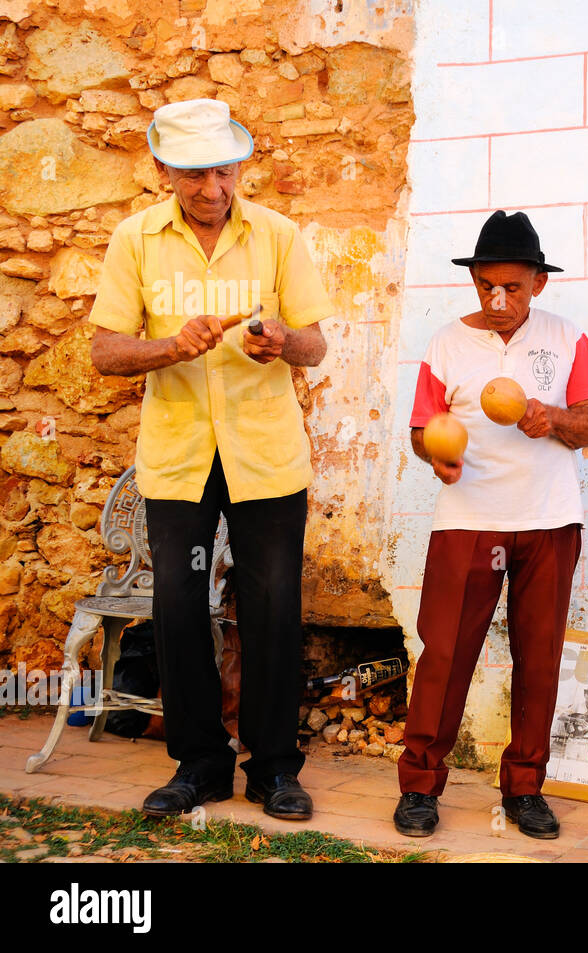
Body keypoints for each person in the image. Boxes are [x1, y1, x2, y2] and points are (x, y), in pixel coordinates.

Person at [89, 99, 334, 821]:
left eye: (224, 171)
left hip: (266, 455)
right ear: (163, 168)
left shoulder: (279, 236)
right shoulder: (133, 239)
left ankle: (273, 768)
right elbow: (104, 351)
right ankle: (200, 763)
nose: (213, 190)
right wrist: (169, 346)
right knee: (178, 606)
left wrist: (283, 342)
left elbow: (317, 344)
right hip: (179, 456)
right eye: (195, 175)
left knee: (272, 608)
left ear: (238, 165)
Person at [395, 210, 588, 839]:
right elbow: (421, 429)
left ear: (538, 283)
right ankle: (419, 786)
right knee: (444, 655)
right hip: (468, 521)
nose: (496, 299)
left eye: (511, 287)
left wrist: (552, 419)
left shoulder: (567, 337)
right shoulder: (445, 343)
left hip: (549, 521)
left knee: (538, 658)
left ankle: (524, 787)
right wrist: (435, 454)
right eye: (485, 284)